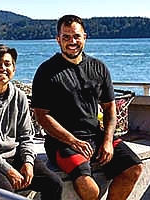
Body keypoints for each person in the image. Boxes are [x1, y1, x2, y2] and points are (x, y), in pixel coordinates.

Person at [31, 15, 143, 200]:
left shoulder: (99, 67)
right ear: (58, 39)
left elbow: (109, 109)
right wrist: (73, 141)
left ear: (85, 37)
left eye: (76, 36)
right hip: (62, 143)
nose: (72, 41)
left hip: (95, 136)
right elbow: (42, 116)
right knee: (90, 189)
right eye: (66, 37)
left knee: (134, 168)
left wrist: (107, 141)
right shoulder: (46, 71)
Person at [0, 44, 63, 200]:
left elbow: (26, 136)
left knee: (54, 183)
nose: (2, 68)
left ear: (14, 69)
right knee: (6, 193)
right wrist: (8, 170)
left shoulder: (19, 97)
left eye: (7, 64)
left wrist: (28, 162)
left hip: (14, 155)